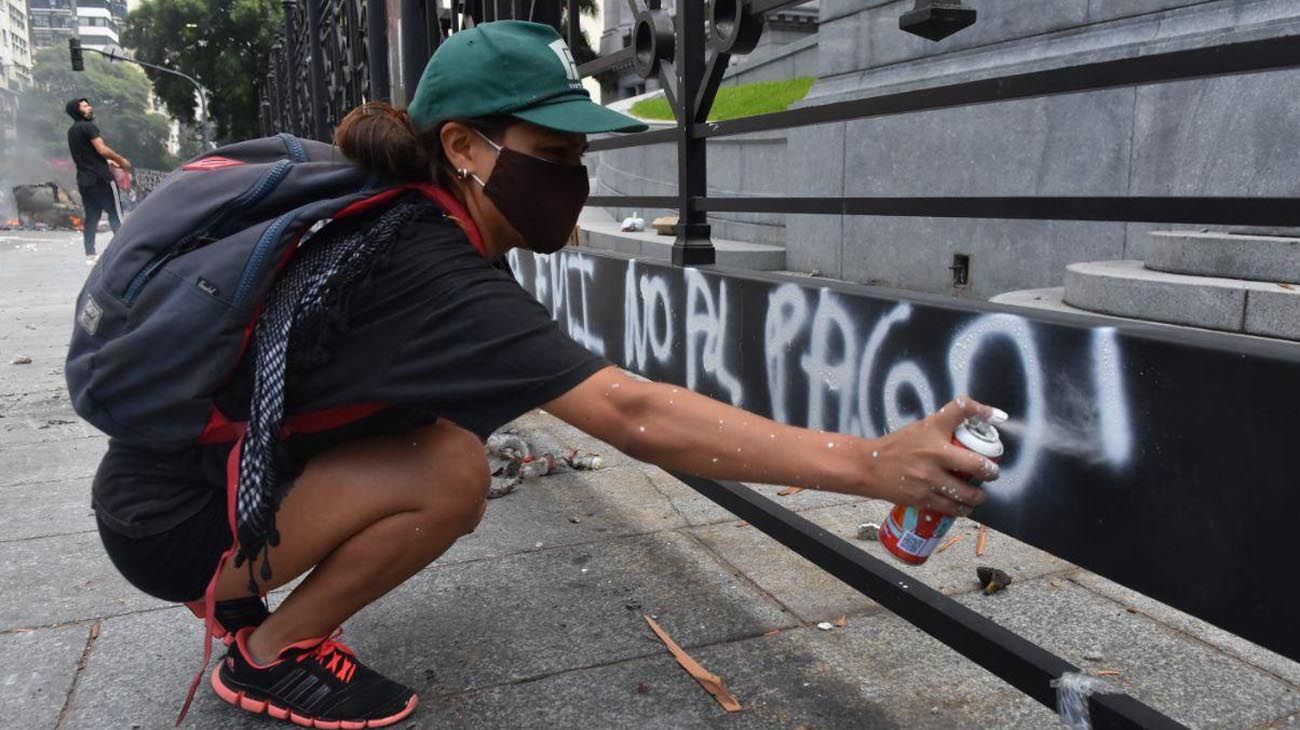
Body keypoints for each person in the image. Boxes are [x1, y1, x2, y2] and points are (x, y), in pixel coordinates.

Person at [89, 21, 1004, 728]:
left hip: (174, 483)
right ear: (463, 148)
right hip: (171, 521)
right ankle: (266, 648)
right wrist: (870, 465)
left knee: (447, 443)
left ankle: (243, 590)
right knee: (448, 473)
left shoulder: (418, 224)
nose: (577, 181)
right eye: (555, 156)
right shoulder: (426, 262)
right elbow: (627, 407)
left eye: (581, 157)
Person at [65, 97, 130, 262]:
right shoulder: (89, 127)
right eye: (85, 106)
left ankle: (90, 253)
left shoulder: (72, 131)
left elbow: (87, 155)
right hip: (101, 178)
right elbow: (101, 149)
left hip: (84, 180)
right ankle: (122, 250)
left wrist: (107, 161)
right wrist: (122, 161)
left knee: (92, 216)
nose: (89, 108)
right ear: (78, 110)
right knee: (116, 214)